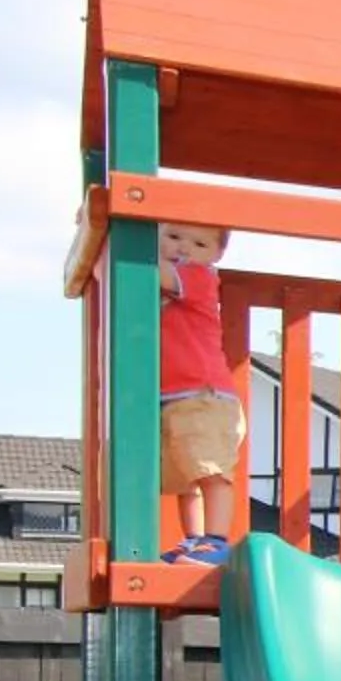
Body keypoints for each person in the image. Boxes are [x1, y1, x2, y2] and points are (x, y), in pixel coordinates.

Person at [154, 223, 244, 567]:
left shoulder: (199, 277)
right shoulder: (172, 278)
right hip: (172, 394)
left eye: (199, 243)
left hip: (204, 394)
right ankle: (193, 539)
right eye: (173, 237)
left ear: (217, 254)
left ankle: (216, 540)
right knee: (185, 475)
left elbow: (155, 271)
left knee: (210, 470)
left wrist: (111, 236)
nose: (183, 248)